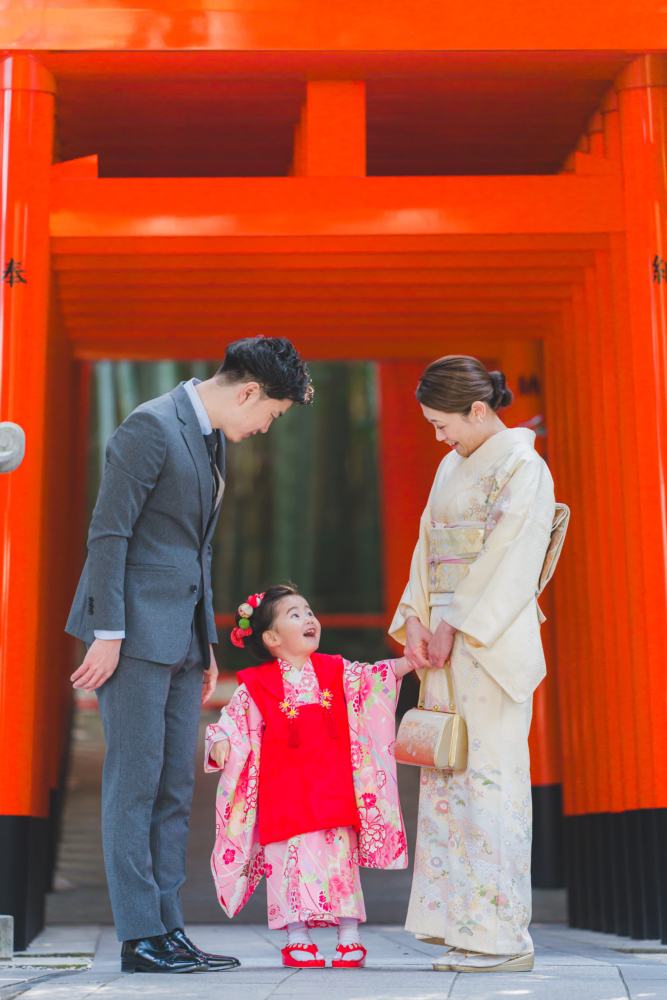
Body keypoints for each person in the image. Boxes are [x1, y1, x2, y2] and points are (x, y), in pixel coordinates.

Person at [65, 337, 313, 974]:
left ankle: (168, 929)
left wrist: (205, 641)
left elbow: (194, 550)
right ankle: (139, 936)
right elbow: (109, 532)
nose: (265, 428)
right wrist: (109, 631)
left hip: (180, 637)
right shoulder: (149, 426)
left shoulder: (208, 439)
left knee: (175, 787)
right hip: (132, 635)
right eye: (271, 414)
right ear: (249, 392)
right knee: (135, 784)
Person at [389, 355, 555, 974]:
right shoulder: (451, 465)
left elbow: (511, 555)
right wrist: (415, 617)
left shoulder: (523, 465)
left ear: (478, 410)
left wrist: (452, 623)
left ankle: (504, 937)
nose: (440, 437)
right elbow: (426, 547)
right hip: (443, 640)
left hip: (486, 642)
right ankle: (463, 926)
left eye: (443, 424)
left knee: (491, 781)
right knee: (449, 777)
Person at [205, 584, 414, 968]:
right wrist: (220, 741)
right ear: (271, 638)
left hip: (332, 786)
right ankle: (297, 936)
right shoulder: (257, 684)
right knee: (287, 864)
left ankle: (349, 936)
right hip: (283, 792)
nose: (309, 618)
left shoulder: (335, 669)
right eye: (295, 614)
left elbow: (372, 679)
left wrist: (407, 662)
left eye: (309, 611)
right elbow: (232, 722)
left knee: (340, 862)